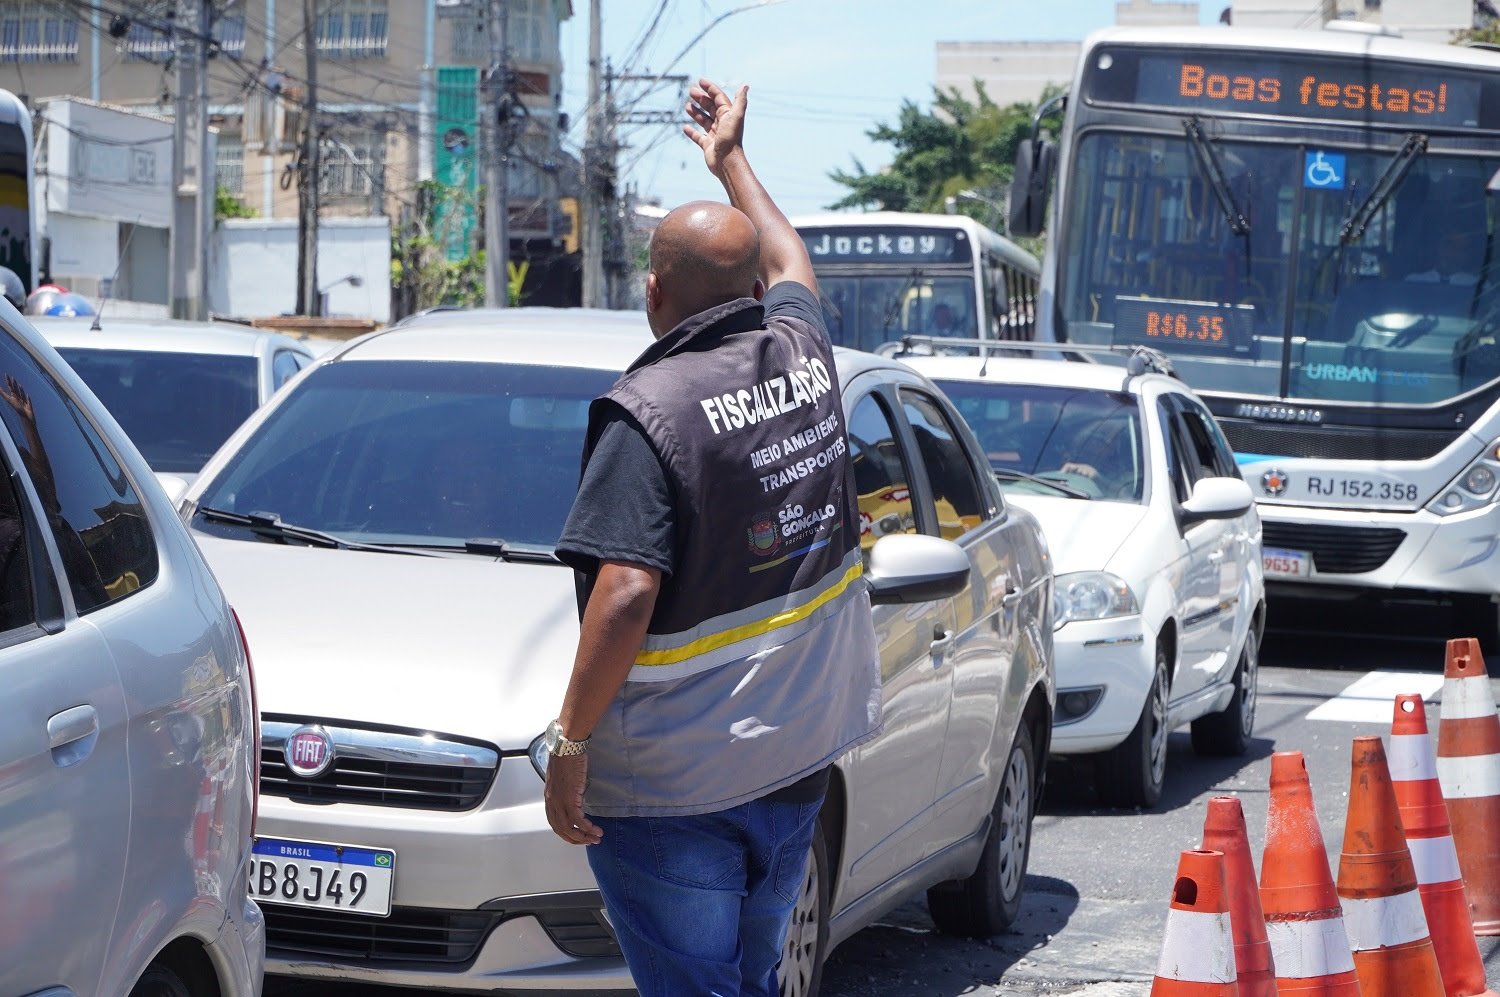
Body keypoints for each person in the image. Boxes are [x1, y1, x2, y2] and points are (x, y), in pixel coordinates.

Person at [544, 79, 881, 996]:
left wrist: (568, 746)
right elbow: (791, 257)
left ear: (653, 292)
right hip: (795, 764)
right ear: (750, 292)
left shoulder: (647, 413)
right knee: (753, 979)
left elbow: (625, 593)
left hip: (677, 788)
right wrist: (731, 158)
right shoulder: (804, 361)